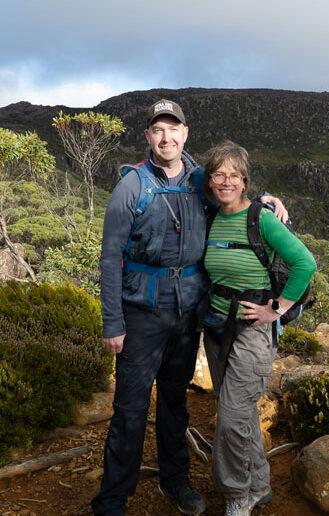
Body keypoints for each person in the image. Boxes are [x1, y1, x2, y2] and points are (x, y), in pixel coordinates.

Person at [91, 100, 288, 516]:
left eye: (173, 129)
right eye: (158, 130)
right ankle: (112, 500)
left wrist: (267, 197)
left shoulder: (200, 180)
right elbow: (110, 258)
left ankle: (174, 481)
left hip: (187, 316)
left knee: (175, 401)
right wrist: (113, 322)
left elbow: (233, 192)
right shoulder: (132, 186)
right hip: (141, 315)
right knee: (130, 408)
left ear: (185, 134)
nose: (166, 137)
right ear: (148, 137)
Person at [201, 141, 316, 516]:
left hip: (253, 331)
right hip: (217, 329)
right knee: (242, 414)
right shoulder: (210, 215)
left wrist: (278, 310)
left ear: (245, 180)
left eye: (233, 175)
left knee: (231, 417)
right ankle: (261, 485)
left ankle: (237, 495)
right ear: (210, 180)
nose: (226, 181)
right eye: (219, 174)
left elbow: (305, 262)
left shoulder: (262, 218)